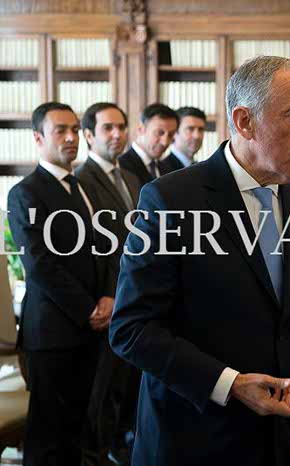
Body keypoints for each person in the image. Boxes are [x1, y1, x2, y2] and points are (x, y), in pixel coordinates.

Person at [109, 56, 290, 466]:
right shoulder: (170, 200)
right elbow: (132, 328)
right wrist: (230, 384)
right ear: (245, 121)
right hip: (192, 439)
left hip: (285, 442)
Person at [8, 102, 114, 466]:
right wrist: (88, 309)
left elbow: (105, 248)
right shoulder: (25, 192)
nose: (71, 138)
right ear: (38, 138)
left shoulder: (83, 186)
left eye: (74, 130)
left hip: (93, 328)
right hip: (52, 332)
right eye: (60, 131)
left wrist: (109, 296)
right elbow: (39, 264)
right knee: (47, 437)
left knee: (78, 431)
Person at [76, 102, 142, 466]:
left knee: (126, 388)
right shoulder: (81, 181)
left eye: (121, 126)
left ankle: (120, 448)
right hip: (104, 299)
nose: (117, 134)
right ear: (89, 135)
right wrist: (110, 293)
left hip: (134, 300)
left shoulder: (131, 178)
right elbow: (95, 248)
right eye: (107, 128)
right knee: (98, 396)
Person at [118, 103, 179, 186]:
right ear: (140, 129)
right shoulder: (121, 166)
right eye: (159, 133)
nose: (165, 142)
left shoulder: (168, 167)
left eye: (170, 135)